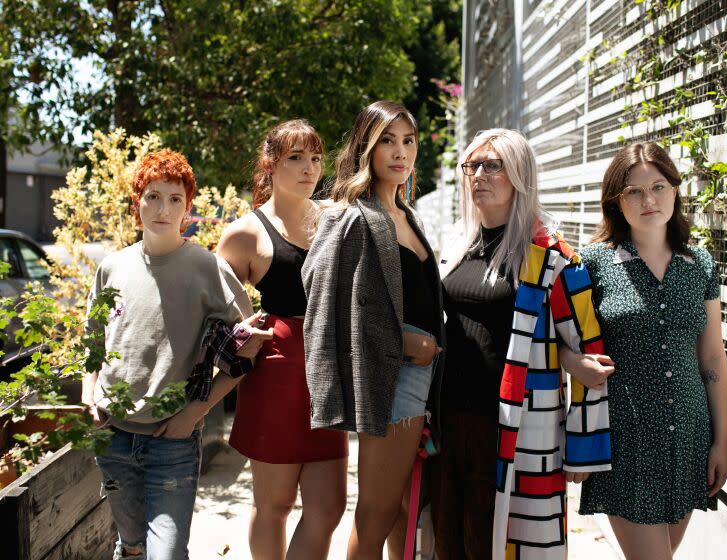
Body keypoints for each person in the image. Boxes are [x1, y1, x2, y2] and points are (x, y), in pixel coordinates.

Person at [431, 128, 613, 560]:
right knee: (447, 538)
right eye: (471, 166)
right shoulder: (455, 245)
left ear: (519, 173)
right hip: (449, 418)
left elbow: (586, 347)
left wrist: (582, 448)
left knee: (501, 542)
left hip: (516, 425)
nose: (478, 175)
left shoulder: (552, 256)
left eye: (492, 165)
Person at [82, 149, 267, 560]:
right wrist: (88, 393)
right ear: (137, 203)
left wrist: (195, 412)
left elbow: (249, 351)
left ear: (187, 208)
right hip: (113, 434)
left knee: (165, 553)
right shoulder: (111, 268)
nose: (162, 208)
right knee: (131, 547)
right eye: (152, 196)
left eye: (174, 199)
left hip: (173, 439)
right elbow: (92, 339)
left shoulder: (208, 268)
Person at [302, 100, 445, 560]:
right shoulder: (351, 215)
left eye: (408, 141)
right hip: (391, 379)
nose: (400, 152)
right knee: (377, 513)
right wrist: (401, 340)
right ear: (366, 146)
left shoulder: (408, 214)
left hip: (422, 379)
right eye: (387, 140)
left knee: (402, 511)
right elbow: (322, 297)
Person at [579, 142, 727, 560]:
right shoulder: (592, 263)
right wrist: (576, 364)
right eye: (634, 191)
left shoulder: (699, 264)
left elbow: (713, 358)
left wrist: (722, 440)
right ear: (616, 201)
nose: (649, 200)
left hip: (689, 437)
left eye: (659, 187)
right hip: (626, 439)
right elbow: (560, 342)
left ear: (675, 190)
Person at [218, 120, 349, 560]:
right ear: (271, 164)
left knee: (328, 508)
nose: (309, 168)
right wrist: (241, 336)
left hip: (327, 377)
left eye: (315, 158)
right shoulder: (245, 233)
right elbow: (216, 316)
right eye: (296, 158)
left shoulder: (335, 220)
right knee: (272, 505)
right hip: (275, 378)